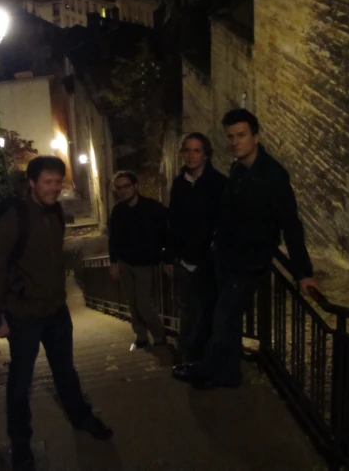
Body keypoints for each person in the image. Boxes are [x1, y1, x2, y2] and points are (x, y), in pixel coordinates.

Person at [0, 156, 112, 471]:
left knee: (65, 370)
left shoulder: (55, 212)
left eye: (58, 182)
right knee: (20, 381)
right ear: (32, 183)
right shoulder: (15, 218)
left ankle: (81, 417)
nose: (54, 188)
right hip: (24, 315)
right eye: (47, 182)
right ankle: (21, 445)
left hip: (55, 310)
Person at [173, 109, 318, 390]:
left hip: (250, 263)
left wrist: (303, 273)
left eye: (241, 135)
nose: (235, 142)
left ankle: (207, 370)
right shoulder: (238, 169)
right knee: (224, 320)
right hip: (227, 259)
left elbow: (291, 224)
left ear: (256, 137)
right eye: (230, 136)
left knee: (223, 319)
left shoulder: (272, 175)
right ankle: (227, 374)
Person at [165, 133, 227, 362]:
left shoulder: (219, 184)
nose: (190, 155)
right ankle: (186, 357)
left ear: (206, 154)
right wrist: (170, 257)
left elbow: (224, 223)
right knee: (187, 312)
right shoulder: (179, 184)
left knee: (209, 312)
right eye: (187, 150)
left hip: (209, 262)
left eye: (196, 151)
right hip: (184, 261)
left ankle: (206, 358)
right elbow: (173, 221)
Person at [108, 171, 168, 348]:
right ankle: (141, 335)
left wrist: (164, 254)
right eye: (119, 188)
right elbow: (113, 238)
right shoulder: (118, 210)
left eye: (126, 186)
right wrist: (113, 262)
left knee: (143, 302)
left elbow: (167, 229)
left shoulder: (152, 207)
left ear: (135, 186)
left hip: (145, 263)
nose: (122, 191)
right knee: (131, 302)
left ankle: (159, 335)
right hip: (125, 262)